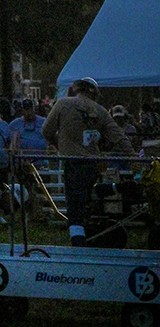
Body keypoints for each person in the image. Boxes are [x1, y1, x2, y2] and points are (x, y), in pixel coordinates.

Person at [42, 78, 131, 241]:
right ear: (95, 93)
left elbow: (46, 130)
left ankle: (78, 244)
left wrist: (60, 144)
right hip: (93, 165)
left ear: (76, 89)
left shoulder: (62, 104)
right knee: (90, 197)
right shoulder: (100, 110)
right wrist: (135, 159)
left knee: (75, 208)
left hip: (73, 163)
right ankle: (117, 188)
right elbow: (119, 137)